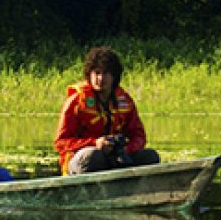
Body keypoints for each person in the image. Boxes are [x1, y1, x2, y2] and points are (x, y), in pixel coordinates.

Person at [56, 46, 162, 175]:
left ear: (114, 76)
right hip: (82, 158)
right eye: (97, 73)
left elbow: (138, 135)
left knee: (150, 156)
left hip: (116, 157)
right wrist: (95, 143)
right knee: (92, 156)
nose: (100, 78)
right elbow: (61, 142)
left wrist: (126, 149)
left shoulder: (125, 101)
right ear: (89, 74)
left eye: (106, 73)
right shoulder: (76, 101)